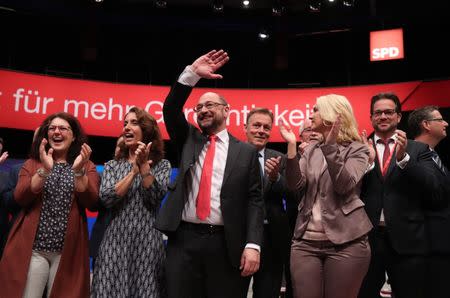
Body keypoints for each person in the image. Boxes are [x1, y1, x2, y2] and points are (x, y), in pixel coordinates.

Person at [155, 50, 264, 298]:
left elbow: (254, 202)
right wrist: (191, 74)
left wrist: (253, 244)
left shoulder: (246, 152)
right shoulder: (188, 140)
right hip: (184, 241)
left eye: (210, 105)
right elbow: (171, 109)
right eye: (199, 107)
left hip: (226, 243)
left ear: (227, 111)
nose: (203, 110)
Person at [279, 94, 372, 298]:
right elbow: (295, 184)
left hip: (347, 243)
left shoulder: (358, 149)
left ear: (332, 115)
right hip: (305, 243)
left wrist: (330, 147)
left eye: (315, 110)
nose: (311, 115)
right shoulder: (311, 148)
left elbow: (344, 186)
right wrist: (292, 147)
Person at [0, 112, 99, 298]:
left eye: (63, 128)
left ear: (74, 135)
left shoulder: (86, 165)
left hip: (68, 253)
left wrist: (78, 172)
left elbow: (92, 201)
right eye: (52, 128)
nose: (56, 132)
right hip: (35, 250)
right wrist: (45, 170)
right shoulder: (32, 164)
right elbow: (20, 197)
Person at [358, 93, 438, 298]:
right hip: (366, 240)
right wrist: (367, 164)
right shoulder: (358, 148)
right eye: (378, 113)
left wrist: (404, 160)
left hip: (409, 241)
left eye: (388, 112)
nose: (383, 116)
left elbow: (432, 185)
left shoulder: (418, 149)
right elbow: (345, 190)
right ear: (371, 118)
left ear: (398, 117)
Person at [91, 107, 171, 297]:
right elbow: (107, 198)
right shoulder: (112, 166)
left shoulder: (162, 165)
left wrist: (143, 168)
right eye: (125, 123)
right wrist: (133, 172)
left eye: (133, 123)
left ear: (147, 129)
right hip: (114, 243)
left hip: (147, 244)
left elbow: (154, 198)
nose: (127, 127)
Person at [244, 108, 291, 298]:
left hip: (273, 238)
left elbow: (291, 193)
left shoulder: (281, 159)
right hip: (241, 236)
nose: (261, 130)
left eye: (266, 127)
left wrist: (276, 177)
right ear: (245, 127)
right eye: (256, 125)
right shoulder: (232, 155)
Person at [408, 105, 450, 298]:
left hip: (439, 243)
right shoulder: (409, 154)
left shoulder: (433, 155)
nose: (445, 123)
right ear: (426, 125)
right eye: (440, 120)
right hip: (425, 246)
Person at [88, 136, 123, 270]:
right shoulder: (103, 175)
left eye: (125, 146)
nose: (121, 149)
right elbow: (94, 205)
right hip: (104, 239)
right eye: (119, 145)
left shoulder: (140, 174)